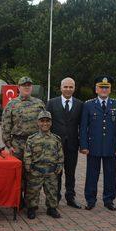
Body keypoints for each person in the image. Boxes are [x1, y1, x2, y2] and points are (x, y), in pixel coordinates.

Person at [80, 76, 116, 211]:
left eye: (107, 87)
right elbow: (83, 127)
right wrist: (83, 145)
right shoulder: (88, 105)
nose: (104, 90)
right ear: (96, 89)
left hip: (110, 146)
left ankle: (109, 199)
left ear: (110, 89)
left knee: (110, 174)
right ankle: (90, 199)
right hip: (93, 146)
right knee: (91, 174)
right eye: (101, 87)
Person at [1, 76, 46, 206]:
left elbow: (45, 124)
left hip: (34, 144)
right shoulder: (12, 104)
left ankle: (31, 201)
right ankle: (18, 200)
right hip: (18, 144)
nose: (27, 87)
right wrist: (8, 144)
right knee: (18, 174)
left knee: (33, 173)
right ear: (19, 88)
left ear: (32, 87)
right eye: (24, 85)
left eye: (29, 85)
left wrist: (42, 141)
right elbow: (6, 126)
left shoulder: (39, 104)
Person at [46, 77, 83, 208]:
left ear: (74, 88)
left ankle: (70, 197)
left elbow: (82, 126)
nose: (68, 89)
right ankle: (55, 197)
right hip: (55, 145)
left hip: (72, 144)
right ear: (61, 88)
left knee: (71, 172)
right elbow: (46, 124)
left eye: (71, 87)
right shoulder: (51, 103)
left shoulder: (79, 104)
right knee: (56, 172)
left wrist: (83, 144)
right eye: (66, 87)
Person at [24, 111, 64, 219]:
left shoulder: (56, 139)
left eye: (47, 121)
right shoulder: (32, 139)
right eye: (42, 121)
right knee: (33, 192)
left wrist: (59, 166)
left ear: (51, 123)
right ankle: (32, 209)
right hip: (36, 171)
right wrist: (28, 168)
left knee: (52, 192)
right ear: (38, 122)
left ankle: (52, 209)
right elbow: (27, 154)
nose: (45, 124)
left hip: (51, 171)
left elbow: (60, 154)